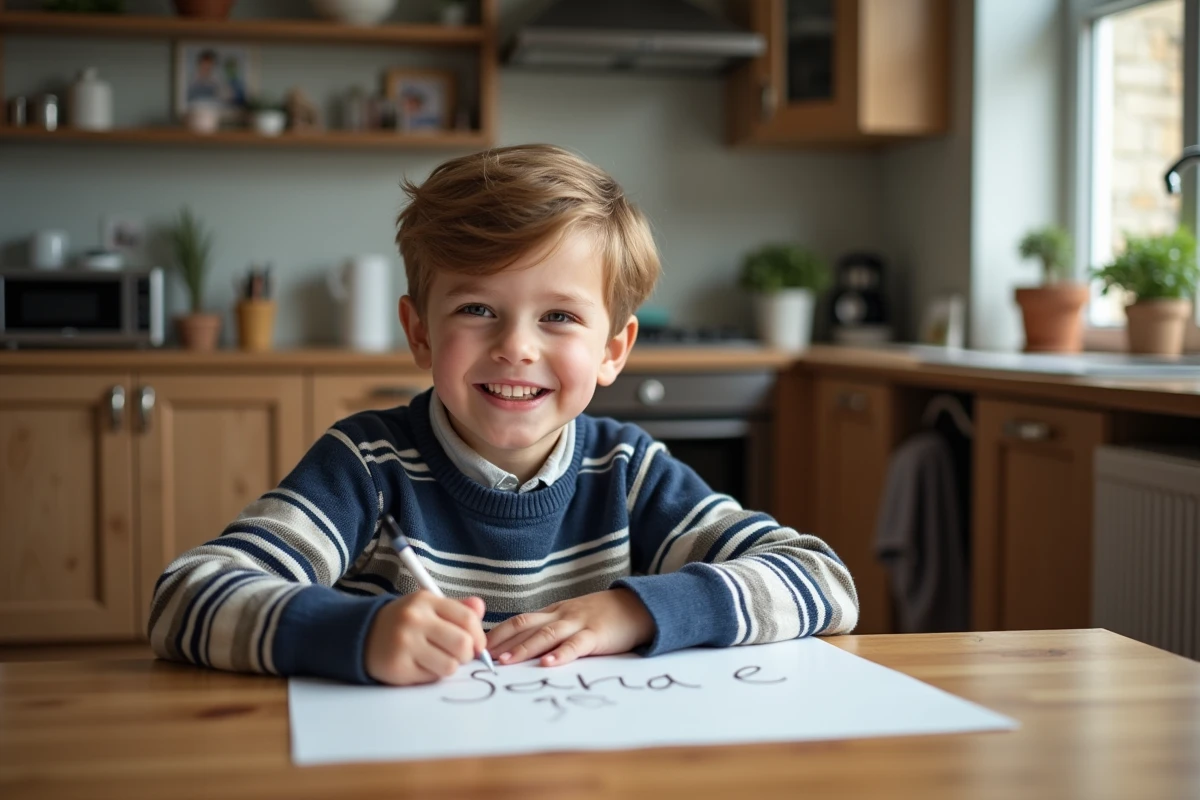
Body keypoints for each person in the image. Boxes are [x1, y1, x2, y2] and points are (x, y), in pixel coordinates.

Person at [147, 144, 859, 686]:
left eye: (558, 316)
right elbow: (187, 599)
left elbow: (822, 581)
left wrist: (637, 610)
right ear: (421, 332)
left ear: (614, 349)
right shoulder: (366, 466)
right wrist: (359, 633)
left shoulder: (628, 472)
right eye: (477, 309)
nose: (516, 347)